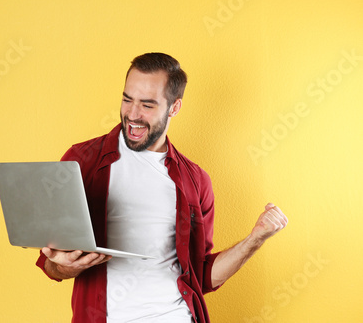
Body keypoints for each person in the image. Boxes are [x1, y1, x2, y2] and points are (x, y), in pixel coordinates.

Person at [36, 52, 288, 323]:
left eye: (147, 105)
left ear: (174, 107)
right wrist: (64, 266)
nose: (132, 114)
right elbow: (52, 264)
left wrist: (255, 239)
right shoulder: (81, 161)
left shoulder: (195, 180)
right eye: (126, 99)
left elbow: (200, 276)